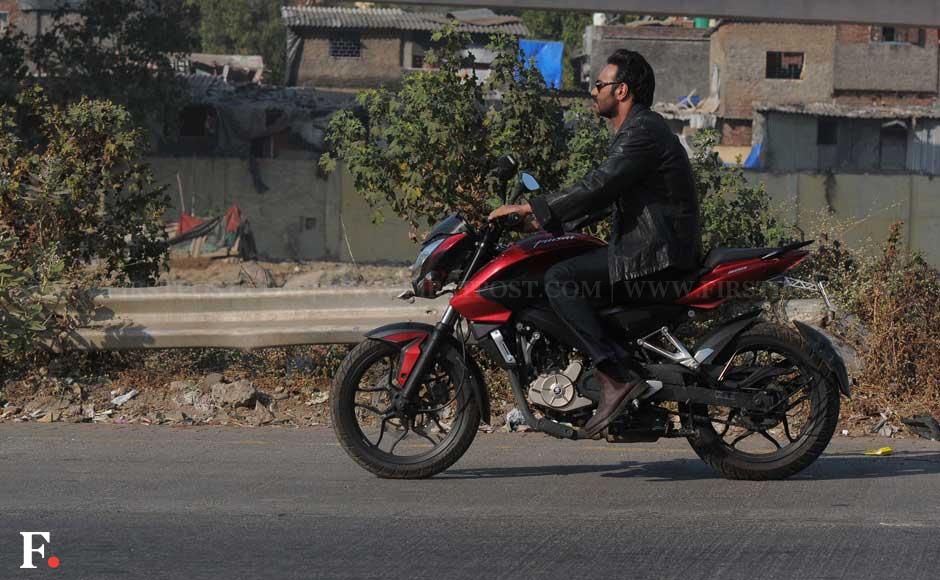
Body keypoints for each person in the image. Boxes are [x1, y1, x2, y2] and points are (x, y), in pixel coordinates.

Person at [488, 49, 702, 438]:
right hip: (651, 248)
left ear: (621, 91)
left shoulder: (642, 132)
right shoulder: (640, 130)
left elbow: (598, 185)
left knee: (561, 279)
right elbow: (601, 199)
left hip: (657, 254)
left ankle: (616, 376)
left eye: (599, 85)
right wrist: (537, 224)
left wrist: (532, 206)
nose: (592, 92)